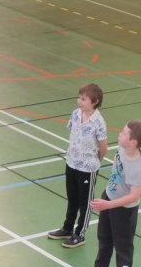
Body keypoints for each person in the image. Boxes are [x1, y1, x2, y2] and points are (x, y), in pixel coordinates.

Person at [77, 119, 141, 267]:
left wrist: (109, 205)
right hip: (109, 198)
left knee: (123, 247)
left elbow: (135, 195)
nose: (120, 134)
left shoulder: (136, 167)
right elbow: (116, 168)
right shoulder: (122, 148)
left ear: (133, 142)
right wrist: (109, 193)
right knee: (104, 237)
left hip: (123, 210)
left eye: (124, 133)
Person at [46, 83, 107, 249]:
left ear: (95, 102)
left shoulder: (99, 122)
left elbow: (103, 148)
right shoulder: (75, 114)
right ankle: (67, 228)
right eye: (79, 98)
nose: (79, 101)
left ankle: (80, 234)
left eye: (84, 99)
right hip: (71, 163)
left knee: (84, 202)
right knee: (72, 198)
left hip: (87, 168)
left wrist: (94, 163)